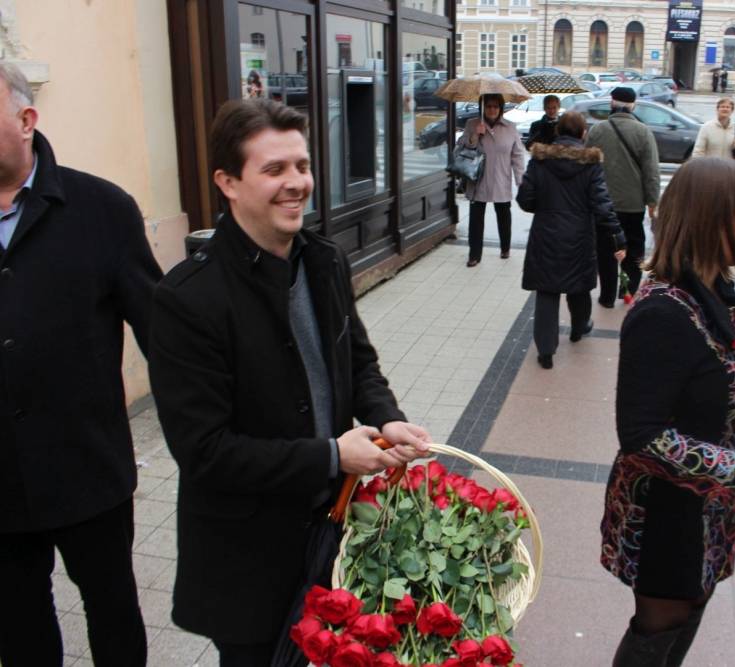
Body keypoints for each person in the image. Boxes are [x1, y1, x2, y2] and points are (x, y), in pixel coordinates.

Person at [148, 98, 431, 666]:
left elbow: (358, 361)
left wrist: (385, 416)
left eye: (301, 166)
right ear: (228, 182)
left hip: (333, 532)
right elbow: (205, 452)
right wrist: (331, 455)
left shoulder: (324, 260)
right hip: (248, 559)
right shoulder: (188, 300)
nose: (295, 183)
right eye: (274, 169)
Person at [601, 157, 735, 667]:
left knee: (685, 618)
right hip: (669, 514)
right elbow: (642, 435)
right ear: (710, 218)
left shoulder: (711, 288)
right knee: (659, 630)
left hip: (709, 507)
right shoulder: (663, 313)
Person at [0, 62, 162, 666]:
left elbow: (160, 335)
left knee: (112, 611)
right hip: (2, 480)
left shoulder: (101, 209)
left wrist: (206, 439)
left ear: (26, 119)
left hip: (87, 468)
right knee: (19, 626)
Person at [516, 112, 627, 369]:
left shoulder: (539, 161)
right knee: (578, 284)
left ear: (558, 133)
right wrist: (617, 236)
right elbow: (602, 205)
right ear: (582, 134)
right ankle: (579, 327)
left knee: (546, 289)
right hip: (579, 234)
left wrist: (545, 208)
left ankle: (546, 350)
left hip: (546, 232)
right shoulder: (590, 164)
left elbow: (524, 200)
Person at [585, 86, 660, 307]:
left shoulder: (597, 130)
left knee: (605, 250)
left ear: (612, 103)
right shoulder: (644, 132)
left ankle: (606, 296)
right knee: (634, 247)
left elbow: (587, 166)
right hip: (633, 204)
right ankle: (627, 291)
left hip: (603, 205)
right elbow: (651, 171)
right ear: (633, 106)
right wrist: (652, 201)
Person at [457, 93, 526, 268]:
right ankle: (474, 254)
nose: (492, 109)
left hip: (501, 177)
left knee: (503, 214)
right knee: (476, 218)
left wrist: (520, 180)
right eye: (488, 106)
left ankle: (505, 247)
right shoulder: (472, 124)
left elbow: (517, 155)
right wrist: (474, 136)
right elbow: (461, 147)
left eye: (496, 106)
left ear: (501, 108)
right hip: (478, 178)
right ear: (482, 107)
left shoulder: (510, 127)